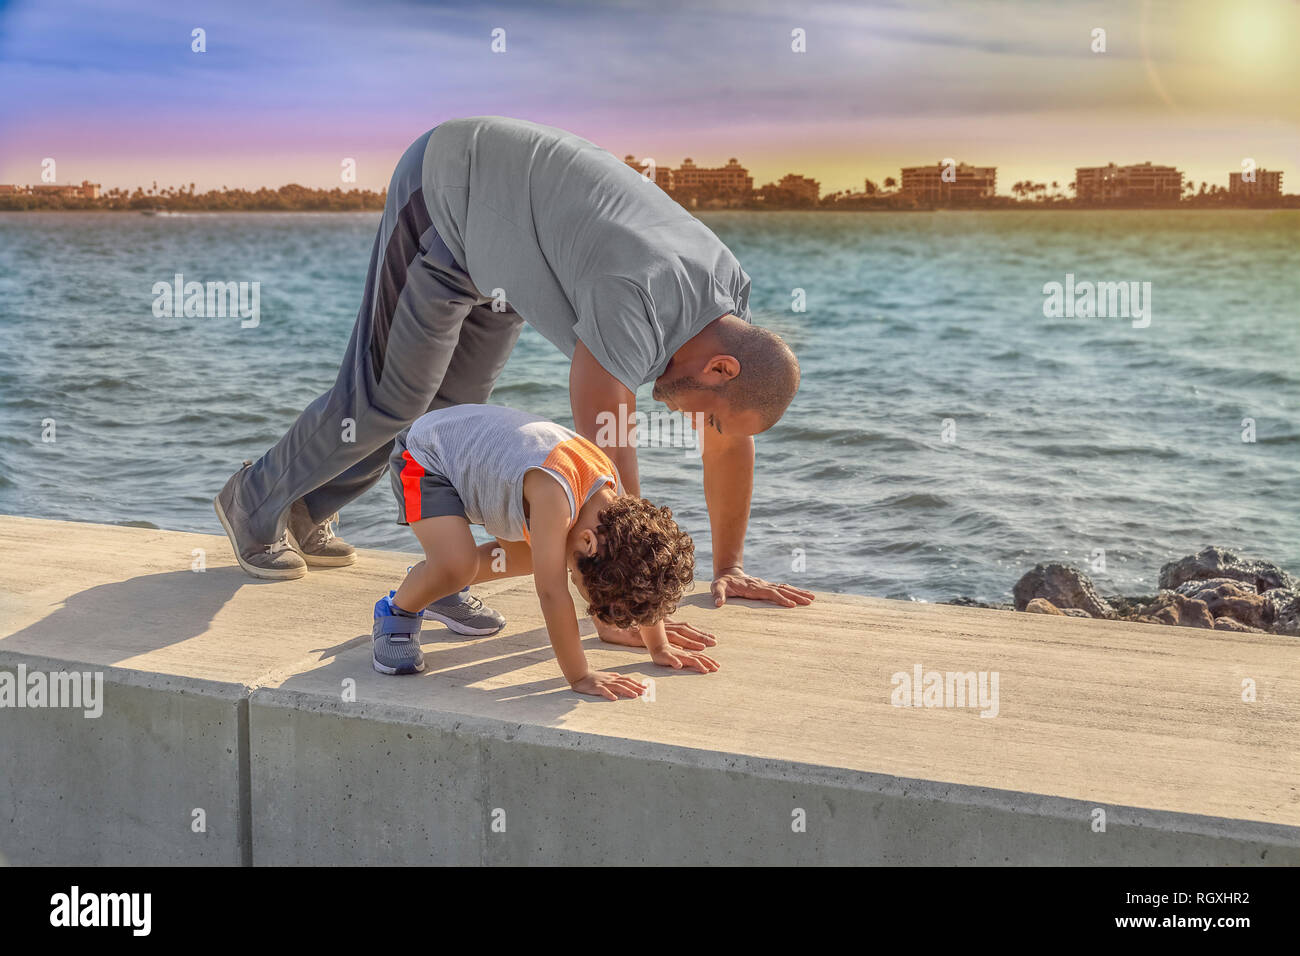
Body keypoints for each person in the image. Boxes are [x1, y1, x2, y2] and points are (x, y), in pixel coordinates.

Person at [214, 116, 813, 649]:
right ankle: (253, 499)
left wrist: (728, 567)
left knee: (447, 426)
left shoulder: (727, 304)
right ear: (721, 369)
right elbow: (603, 474)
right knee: (389, 398)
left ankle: (322, 517)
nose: (696, 428)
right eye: (705, 415)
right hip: (449, 194)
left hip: (508, 257)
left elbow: (730, 438)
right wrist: (613, 599)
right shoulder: (637, 294)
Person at [372, 403, 715, 699]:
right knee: (456, 564)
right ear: (587, 543)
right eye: (585, 588)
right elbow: (552, 593)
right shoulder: (556, 498)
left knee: (524, 558)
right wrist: (579, 676)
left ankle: (437, 588)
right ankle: (398, 611)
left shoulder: (614, 503)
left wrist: (658, 645)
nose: (587, 600)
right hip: (426, 457)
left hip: (481, 462)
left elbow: (643, 563)